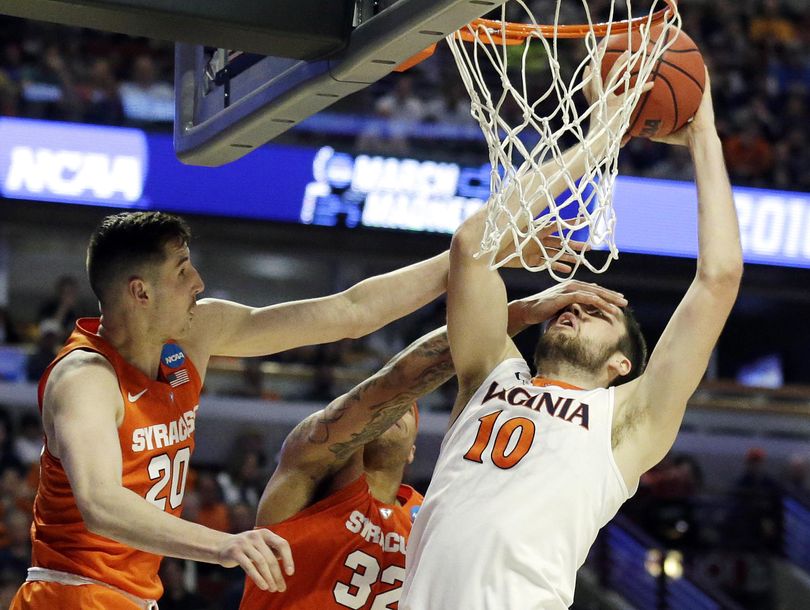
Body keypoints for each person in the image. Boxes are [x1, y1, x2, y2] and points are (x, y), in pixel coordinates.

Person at [401, 68, 743, 608]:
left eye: (597, 314)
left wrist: (704, 136)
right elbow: (472, 244)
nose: (577, 308)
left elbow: (718, 279)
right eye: (576, 302)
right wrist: (599, 140)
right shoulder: (492, 371)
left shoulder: (629, 419)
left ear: (620, 365)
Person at [10, 210, 453, 609]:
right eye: (182, 271)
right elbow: (100, 502)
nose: (198, 282)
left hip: (132, 596)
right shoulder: (85, 378)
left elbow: (350, 312)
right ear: (140, 291)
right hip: (69, 593)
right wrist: (224, 545)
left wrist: (468, 258)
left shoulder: (195, 335)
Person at [239, 282, 626, 609]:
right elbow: (398, 379)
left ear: (415, 452)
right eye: (386, 408)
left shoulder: (434, 517)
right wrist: (516, 314)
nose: (397, 409)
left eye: (408, 409)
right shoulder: (312, 472)